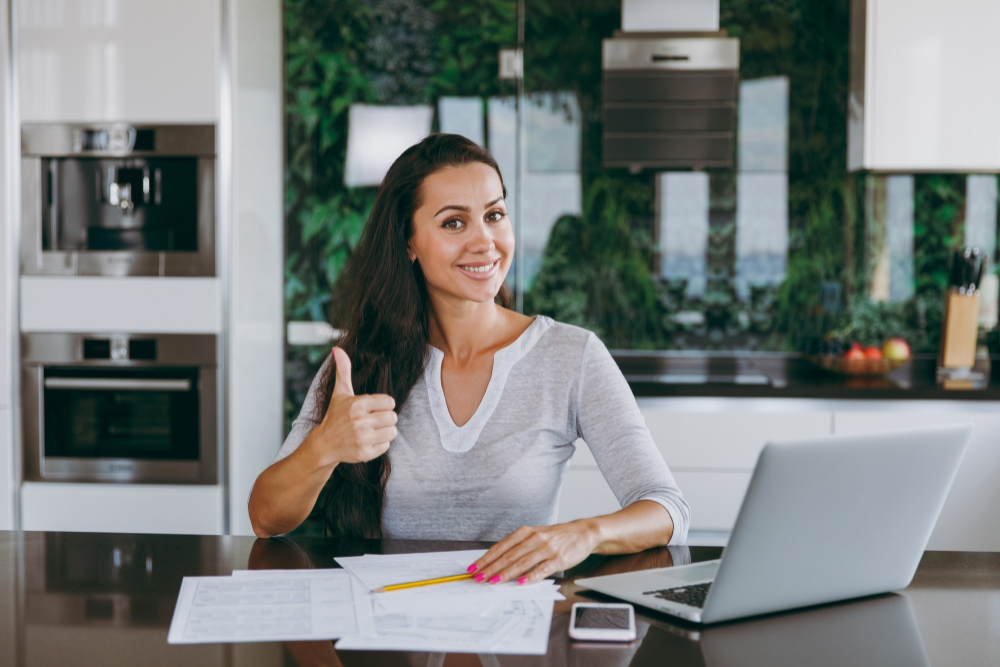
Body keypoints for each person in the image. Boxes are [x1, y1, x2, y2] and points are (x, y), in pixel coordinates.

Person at [249, 133, 690, 586]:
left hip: (516, 634)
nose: (485, 242)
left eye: (495, 215)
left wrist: (582, 534)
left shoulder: (572, 356)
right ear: (408, 242)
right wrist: (325, 448)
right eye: (454, 223)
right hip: (393, 638)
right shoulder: (360, 364)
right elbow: (266, 519)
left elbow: (666, 508)